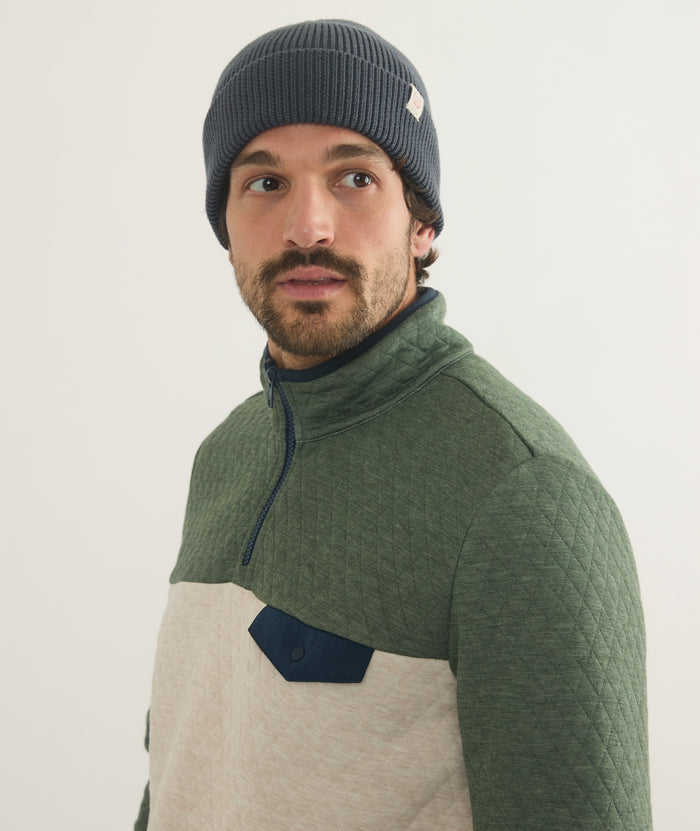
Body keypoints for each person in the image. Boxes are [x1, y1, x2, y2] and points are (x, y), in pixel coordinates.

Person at [135, 19, 652, 831]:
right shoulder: (225, 456)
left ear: (422, 222)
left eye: (355, 178)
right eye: (265, 182)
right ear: (225, 228)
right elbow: (181, 781)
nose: (309, 226)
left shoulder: (524, 498)